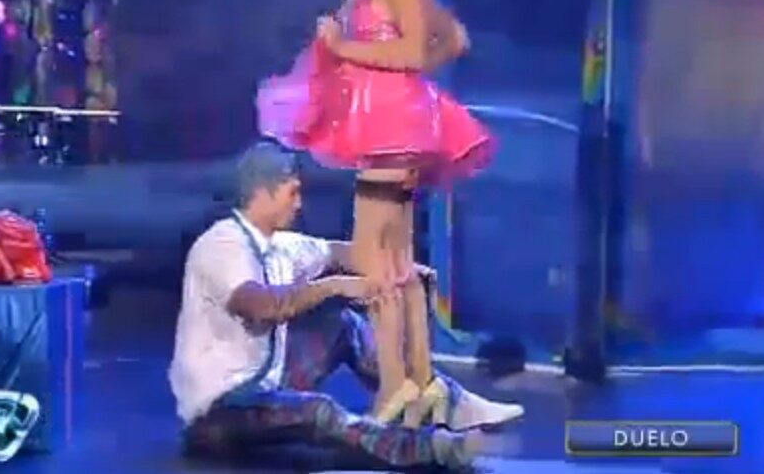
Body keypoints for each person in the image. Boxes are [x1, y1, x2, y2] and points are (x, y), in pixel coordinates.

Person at [257, 0, 493, 425]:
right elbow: (453, 38)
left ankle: (395, 385)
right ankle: (418, 381)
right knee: (394, 261)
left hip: (393, 131)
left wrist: (348, 49)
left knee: (372, 259)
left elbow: (414, 51)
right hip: (390, 129)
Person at [170, 142, 521, 470]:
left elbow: (341, 253)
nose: (299, 204)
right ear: (262, 192)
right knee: (319, 411)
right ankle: (430, 448)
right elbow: (261, 306)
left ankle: (449, 402)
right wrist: (334, 285)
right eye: (292, 192)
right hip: (220, 415)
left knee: (344, 326)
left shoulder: (280, 245)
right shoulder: (223, 244)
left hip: (265, 386)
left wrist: (399, 270)